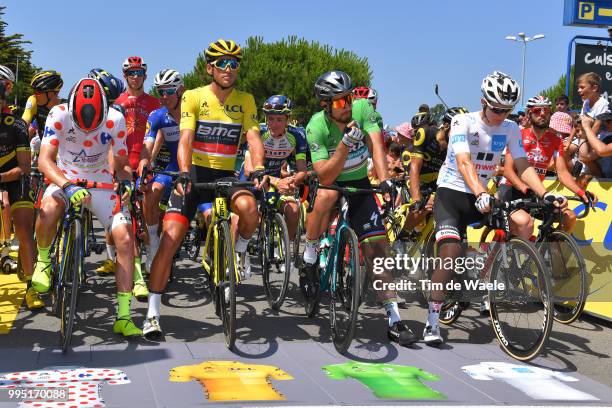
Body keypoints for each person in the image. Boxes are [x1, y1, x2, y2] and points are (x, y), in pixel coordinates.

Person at [427, 71, 566, 346]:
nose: (502, 115)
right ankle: (432, 322)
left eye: (507, 110)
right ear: (483, 102)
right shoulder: (462, 122)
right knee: (451, 253)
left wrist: (545, 194)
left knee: (522, 223)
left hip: (483, 195)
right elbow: (465, 161)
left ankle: (493, 276)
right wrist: (480, 191)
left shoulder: (511, 128)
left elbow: (523, 165)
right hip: (453, 192)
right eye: (497, 109)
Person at [142, 39, 265, 338]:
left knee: (250, 210)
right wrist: (183, 173)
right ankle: (153, 313)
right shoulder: (193, 97)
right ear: (209, 67)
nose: (228, 68)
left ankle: (239, 252)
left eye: (234, 63)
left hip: (225, 175)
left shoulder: (246, 99)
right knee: (170, 240)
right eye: (221, 63)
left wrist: (259, 167)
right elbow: (185, 138)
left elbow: (252, 138)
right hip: (195, 174)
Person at [302, 70, 417, 346]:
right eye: (340, 102)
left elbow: (377, 146)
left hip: (361, 183)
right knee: (327, 197)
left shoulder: (363, 107)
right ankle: (309, 256)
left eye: (349, 98)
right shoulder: (316, 126)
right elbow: (325, 176)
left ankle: (394, 318)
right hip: (333, 181)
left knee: (377, 250)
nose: (348, 105)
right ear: (326, 105)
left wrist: (386, 181)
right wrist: (344, 144)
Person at [32, 78, 141, 336]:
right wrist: (66, 186)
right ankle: (44, 261)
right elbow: (44, 161)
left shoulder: (115, 118)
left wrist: (125, 183)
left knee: (124, 238)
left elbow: (123, 162)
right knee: (48, 209)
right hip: (65, 176)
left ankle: (123, 316)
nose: (88, 132)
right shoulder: (58, 114)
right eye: (82, 127)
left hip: (100, 180)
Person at [98, 57, 159, 300]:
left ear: (145, 75)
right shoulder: (115, 102)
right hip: (121, 164)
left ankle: (151, 259)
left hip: (144, 162)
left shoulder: (154, 103)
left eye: (139, 72)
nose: (135, 76)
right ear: (124, 75)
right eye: (131, 72)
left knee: (147, 215)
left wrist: (151, 161)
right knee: (122, 217)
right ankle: (126, 266)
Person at [500, 95, 596, 237]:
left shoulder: (555, 140)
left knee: (569, 217)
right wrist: (523, 187)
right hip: (511, 189)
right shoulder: (518, 135)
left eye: (546, 110)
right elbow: (508, 171)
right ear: (529, 114)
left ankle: (549, 252)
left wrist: (581, 193)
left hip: (536, 192)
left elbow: (562, 173)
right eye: (538, 110)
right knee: (527, 223)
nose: (543, 114)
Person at [0, 65, 40, 309]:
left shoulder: (16, 125)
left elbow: (24, 168)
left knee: (24, 229)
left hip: (15, 178)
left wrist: (3, 177)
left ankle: (31, 286)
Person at [244, 95, 308, 243]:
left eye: (279, 120)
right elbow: (248, 169)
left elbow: (302, 169)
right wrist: (278, 181)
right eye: (270, 119)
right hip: (252, 179)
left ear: (287, 119)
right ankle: (242, 251)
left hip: (275, 181)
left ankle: (285, 248)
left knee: (294, 211)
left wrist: (292, 182)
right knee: (245, 213)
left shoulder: (297, 135)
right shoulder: (258, 131)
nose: (274, 124)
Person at [138, 69, 184, 273]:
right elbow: (147, 147)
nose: (164, 97)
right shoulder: (157, 116)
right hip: (173, 166)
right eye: (160, 92)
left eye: (169, 91)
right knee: (151, 192)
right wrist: (144, 164)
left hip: (196, 166)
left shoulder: (195, 111)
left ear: (180, 90)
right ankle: (153, 242)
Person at [21, 71, 64, 154]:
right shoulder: (33, 100)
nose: (34, 94)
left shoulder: (66, 108)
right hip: (46, 156)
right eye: (34, 90)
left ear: (51, 93)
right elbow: (22, 126)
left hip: (65, 160)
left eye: (38, 91)